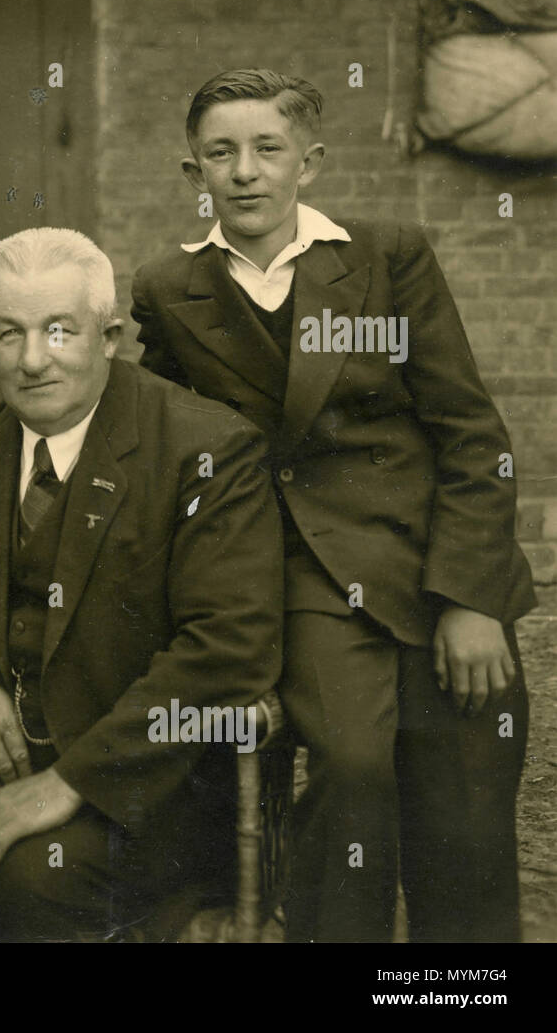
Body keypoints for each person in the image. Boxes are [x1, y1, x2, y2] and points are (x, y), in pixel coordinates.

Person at [130, 68, 535, 942]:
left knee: (465, 803)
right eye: (219, 154)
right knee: (353, 769)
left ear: (306, 163)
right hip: (303, 574)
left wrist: (470, 599)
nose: (245, 171)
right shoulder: (170, 287)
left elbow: (471, 432)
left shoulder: (386, 256)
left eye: (267, 149)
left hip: (432, 561)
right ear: (191, 171)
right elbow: (165, 445)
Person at [0, 227, 285, 942]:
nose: (31, 360)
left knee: (33, 878)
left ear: (110, 336)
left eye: (60, 331)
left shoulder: (204, 447)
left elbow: (230, 646)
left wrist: (69, 783)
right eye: (8, 333)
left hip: (148, 789)